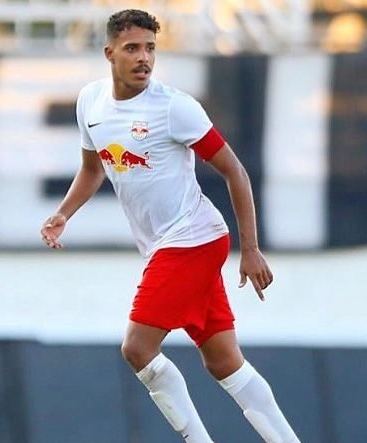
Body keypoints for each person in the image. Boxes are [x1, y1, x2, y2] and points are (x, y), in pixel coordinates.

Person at [40, 9, 299, 443]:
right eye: (132, 49)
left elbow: (235, 171)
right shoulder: (91, 102)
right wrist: (64, 213)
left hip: (192, 239)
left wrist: (251, 249)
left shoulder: (174, 107)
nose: (144, 58)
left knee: (137, 348)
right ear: (109, 53)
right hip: (171, 244)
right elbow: (93, 169)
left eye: (150, 48)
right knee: (224, 362)